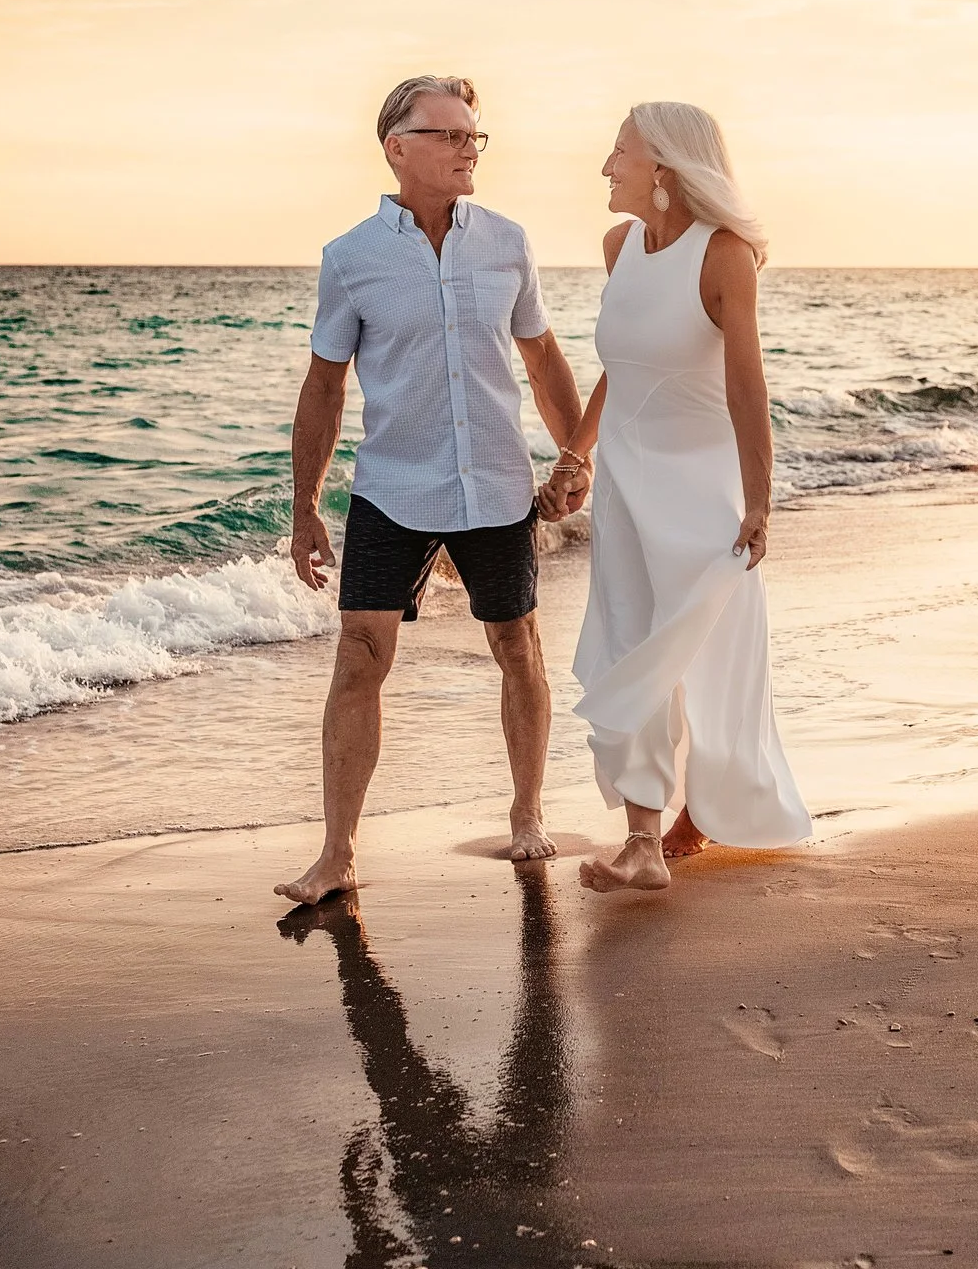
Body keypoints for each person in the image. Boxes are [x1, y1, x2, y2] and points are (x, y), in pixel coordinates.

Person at [275, 75, 586, 908]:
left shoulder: (509, 243)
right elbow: (324, 387)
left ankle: (527, 812)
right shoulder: (352, 259)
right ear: (397, 147)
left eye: (473, 137)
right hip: (392, 489)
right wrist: (306, 506)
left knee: (518, 649)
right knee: (360, 657)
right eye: (448, 136)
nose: (466, 150)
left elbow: (543, 358)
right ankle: (337, 854)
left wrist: (575, 455)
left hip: (494, 485)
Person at [538, 101, 810, 894]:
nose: (605, 168)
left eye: (618, 153)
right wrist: (575, 456)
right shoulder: (619, 247)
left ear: (663, 167)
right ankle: (643, 842)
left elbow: (746, 387)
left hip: (700, 486)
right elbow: (623, 367)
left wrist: (758, 502)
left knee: (700, 655)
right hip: (627, 481)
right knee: (628, 642)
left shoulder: (724, 255)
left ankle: (702, 815)